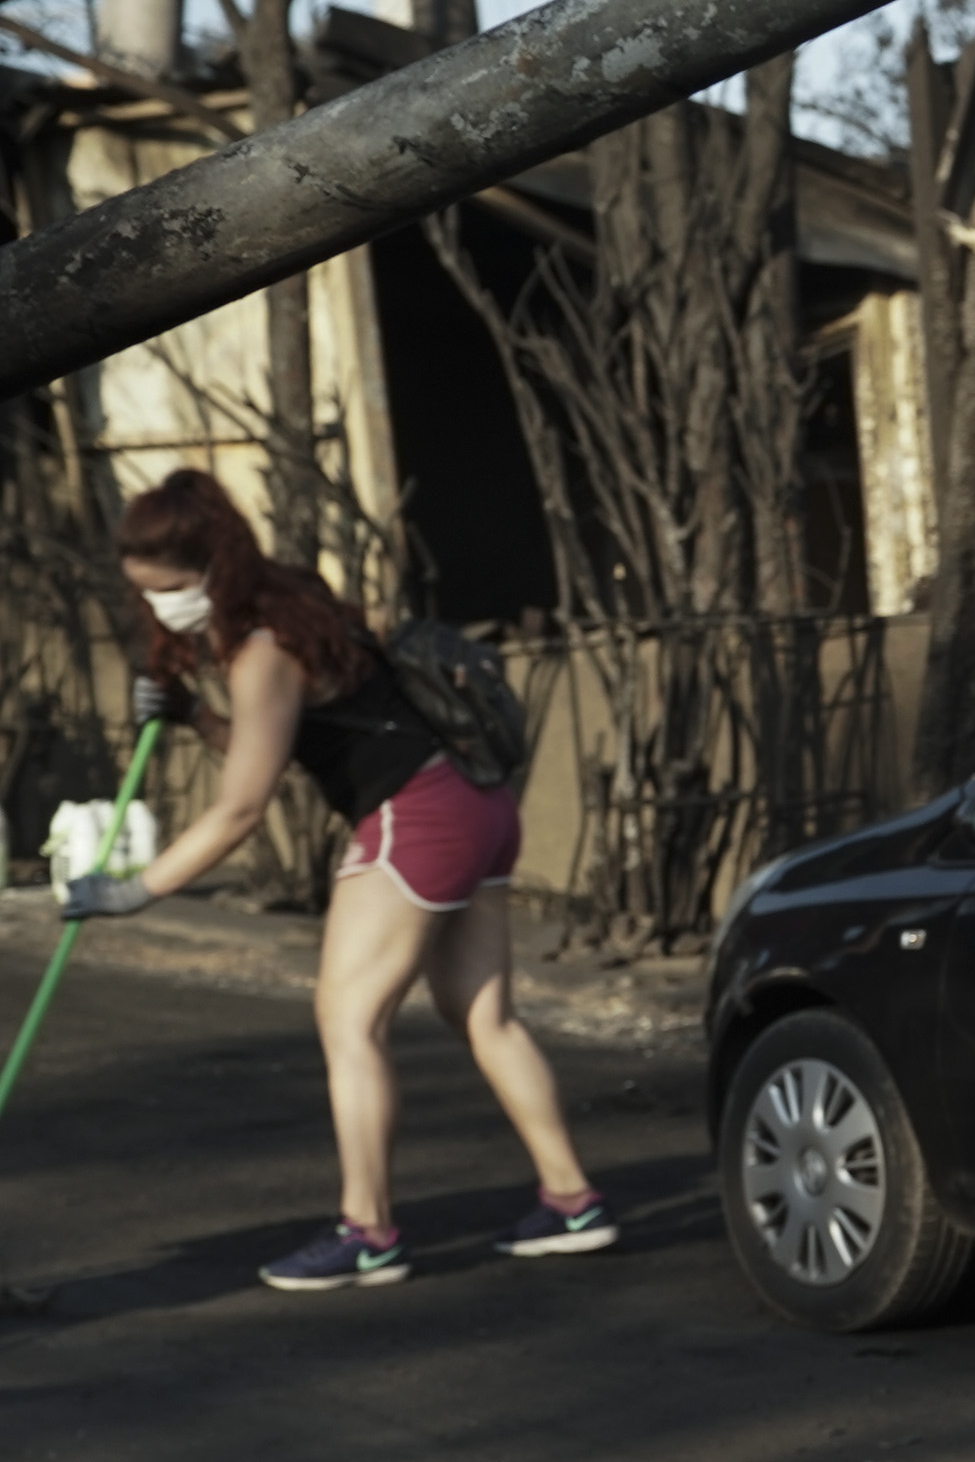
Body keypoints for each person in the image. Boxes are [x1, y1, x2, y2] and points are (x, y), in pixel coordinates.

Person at [64, 470, 606, 1290]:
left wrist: (136, 889)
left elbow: (241, 808)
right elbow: (278, 745)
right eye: (148, 592)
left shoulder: (260, 651)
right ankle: (572, 1201)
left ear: (211, 567)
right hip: (478, 801)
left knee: (349, 1021)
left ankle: (368, 1232)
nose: (162, 606)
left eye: (170, 589)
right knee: (485, 1017)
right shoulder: (298, 603)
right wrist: (194, 718)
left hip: (413, 819)